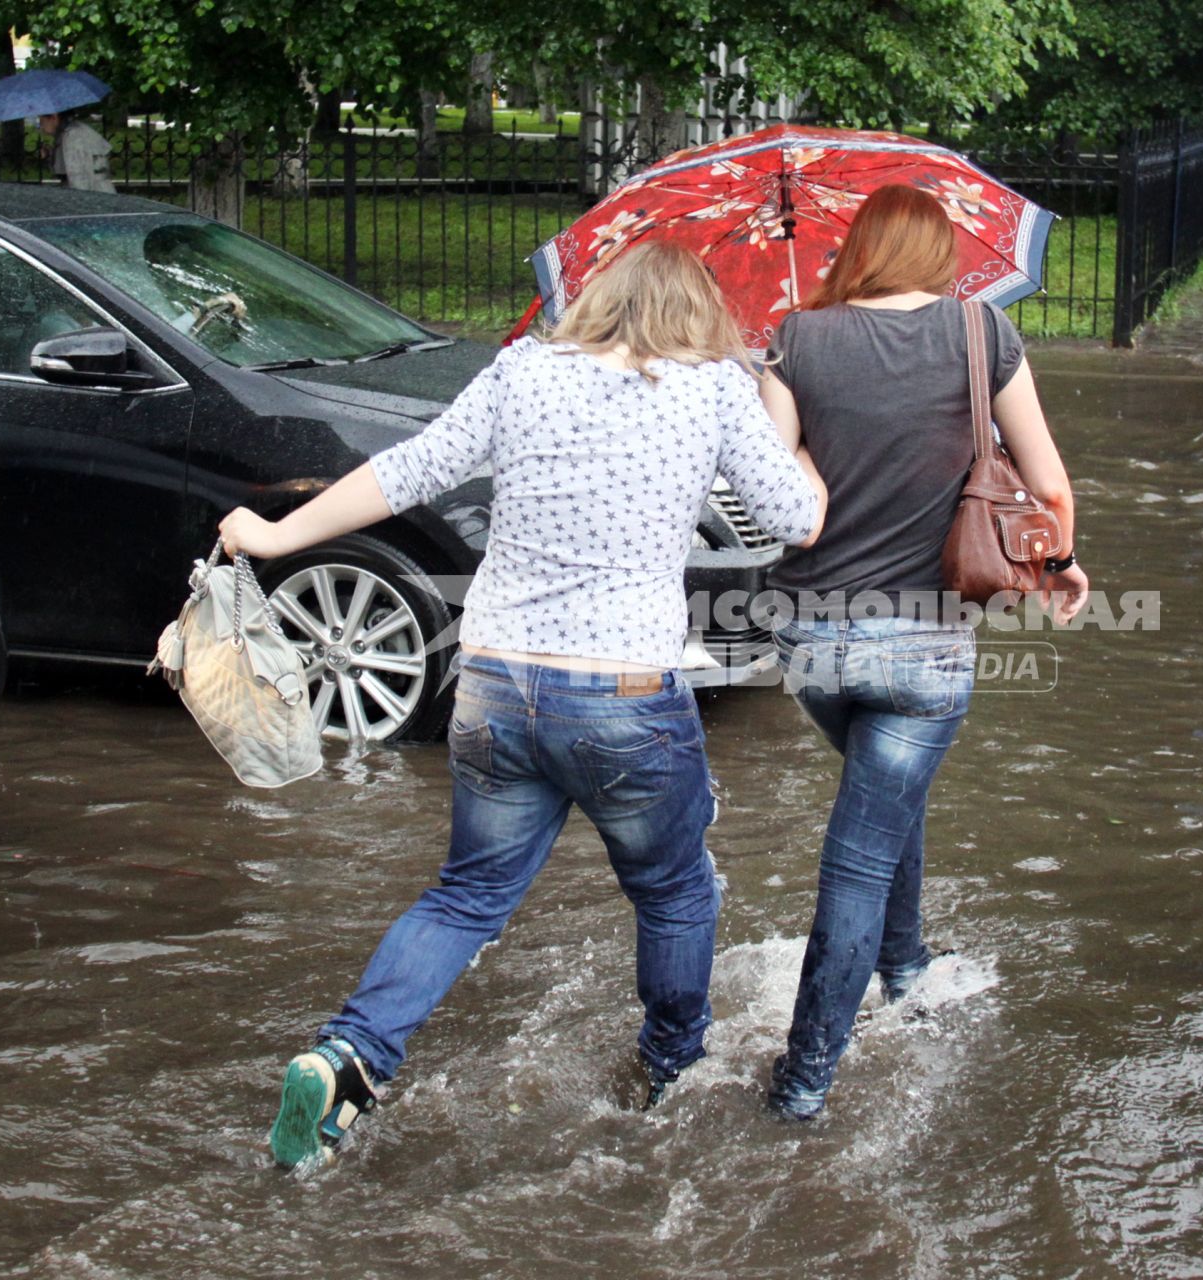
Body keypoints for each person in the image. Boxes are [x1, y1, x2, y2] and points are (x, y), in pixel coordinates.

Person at [219, 242, 827, 1169]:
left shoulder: (523, 371)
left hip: (496, 683)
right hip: (624, 692)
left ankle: (347, 1057)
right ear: (699, 315)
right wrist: (794, 435)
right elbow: (796, 519)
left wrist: (273, 534)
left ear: (601, 300)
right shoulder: (712, 390)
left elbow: (408, 473)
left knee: (466, 894)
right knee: (674, 891)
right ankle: (672, 1076)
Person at [755, 184, 1090, 1121]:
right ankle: (805, 1084)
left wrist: (817, 445)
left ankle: (906, 966)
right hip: (926, 649)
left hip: (812, 638)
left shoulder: (796, 335)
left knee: (882, 796)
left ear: (859, 250)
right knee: (860, 853)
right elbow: (1049, 487)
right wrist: (1060, 565)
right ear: (943, 256)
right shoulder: (982, 335)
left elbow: (773, 497)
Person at [39, 109, 115, 193]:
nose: (41, 127)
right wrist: (49, 155)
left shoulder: (73, 136)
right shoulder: (70, 132)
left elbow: (78, 177)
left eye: (42, 121)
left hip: (94, 194)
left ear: (54, 117)